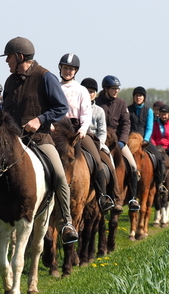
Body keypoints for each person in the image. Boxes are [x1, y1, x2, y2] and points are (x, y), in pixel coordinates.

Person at [0, 36, 79, 244]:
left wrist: (40, 120)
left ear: (20, 57)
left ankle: (66, 223)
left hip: (39, 138)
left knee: (59, 175)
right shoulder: (10, 80)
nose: (7, 62)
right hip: (11, 141)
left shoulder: (45, 77)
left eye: (9, 57)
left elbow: (61, 108)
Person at [58, 53, 114, 213]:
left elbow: (86, 113)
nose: (68, 71)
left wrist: (83, 129)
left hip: (77, 130)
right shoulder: (55, 87)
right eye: (65, 68)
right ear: (61, 68)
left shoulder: (81, 90)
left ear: (75, 71)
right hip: (59, 130)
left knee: (97, 159)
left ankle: (103, 196)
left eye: (71, 69)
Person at [95, 75, 141, 212]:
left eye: (117, 89)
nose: (116, 91)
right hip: (101, 140)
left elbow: (126, 123)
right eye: (113, 89)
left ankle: (132, 198)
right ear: (106, 88)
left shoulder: (121, 103)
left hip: (118, 141)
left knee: (132, 165)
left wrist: (122, 141)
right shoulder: (97, 102)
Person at [81, 77, 122, 214]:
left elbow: (102, 131)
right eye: (87, 91)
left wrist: (100, 144)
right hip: (78, 139)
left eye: (92, 91)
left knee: (109, 163)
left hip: (96, 142)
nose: (89, 94)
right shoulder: (76, 107)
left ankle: (113, 198)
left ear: (95, 93)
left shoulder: (99, 110)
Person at [128, 86, 168, 194]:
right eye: (136, 95)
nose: (138, 97)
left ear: (144, 98)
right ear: (133, 97)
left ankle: (160, 184)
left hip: (144, 142)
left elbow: (149, 128)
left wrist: (145, 140)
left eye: (140, 95)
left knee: (159, 158)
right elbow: (127, 125)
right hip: (131, 141)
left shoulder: (148, 111)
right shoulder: (128, 109)